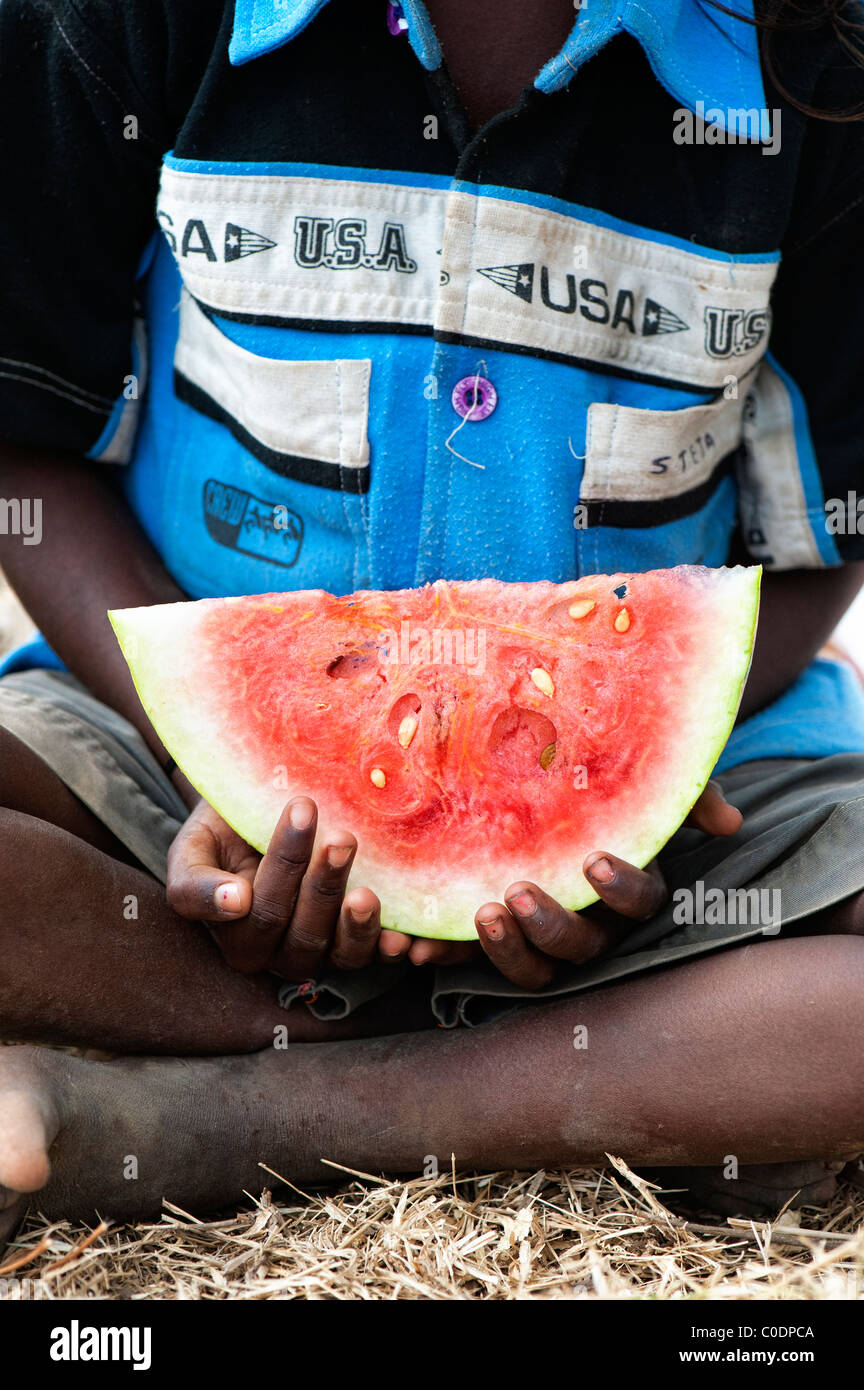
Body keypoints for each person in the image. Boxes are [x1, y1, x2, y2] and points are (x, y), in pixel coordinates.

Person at [1, 0, 864, 1239]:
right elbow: (28, 443)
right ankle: (559, 1047)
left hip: (684, 832)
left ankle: (259, 1117)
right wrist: (212, 761)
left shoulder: (821, 70)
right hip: (158, 751)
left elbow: (818, 534)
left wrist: (644, 801)